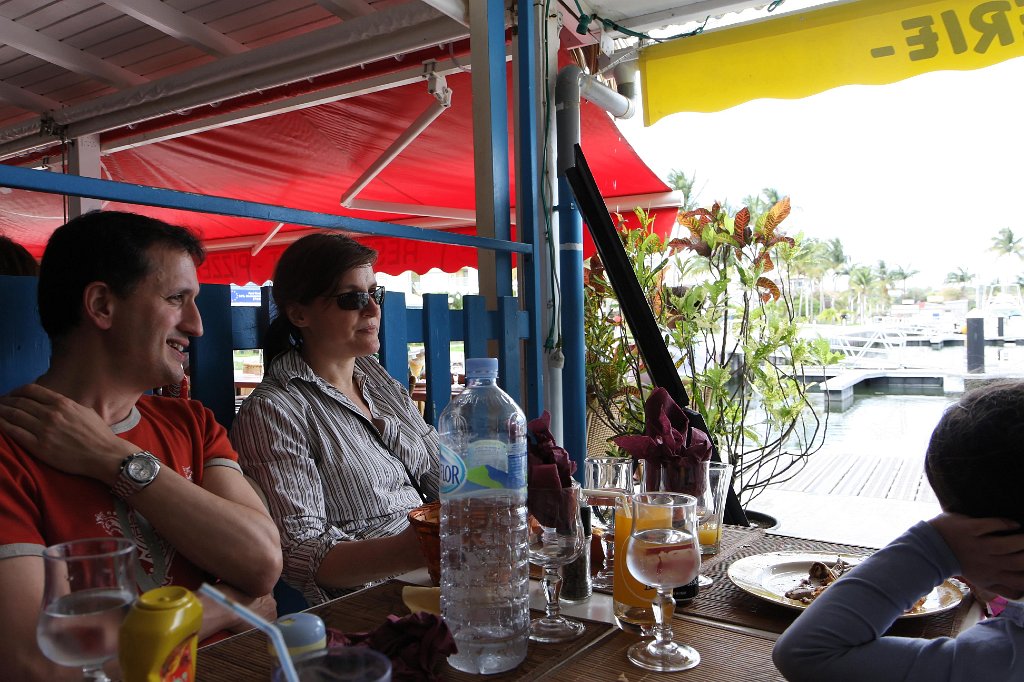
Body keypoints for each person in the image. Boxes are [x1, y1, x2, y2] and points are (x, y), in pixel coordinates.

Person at [0, 211, 283, 680]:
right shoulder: (10, 448)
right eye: (176, 299)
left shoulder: (190, 422)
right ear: (102, 305)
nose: (197, 325)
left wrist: (112, 458)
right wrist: (224, 608)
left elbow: (262, 563)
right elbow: (37, 661)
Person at [230, 232, 439, 605]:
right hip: (373, 602)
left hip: (442, 574)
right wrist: (420, 547)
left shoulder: (381, 384)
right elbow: (302, 554)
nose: (372, 310)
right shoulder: (275, 411)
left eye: (375, 294)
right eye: (351, 299)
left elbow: (443, 476)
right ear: (300, 314)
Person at [773, 380, 1024, 681]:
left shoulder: (1001, 661)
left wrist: (936, 549)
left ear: (995, 543)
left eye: (953, 527)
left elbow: (805, 654)